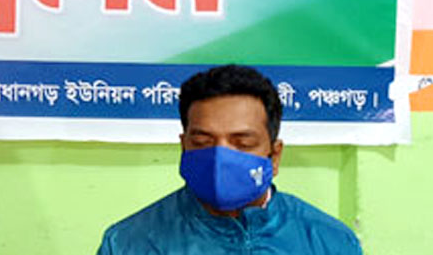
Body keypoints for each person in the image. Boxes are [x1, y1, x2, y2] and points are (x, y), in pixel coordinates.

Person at [96, 64, 363, 254]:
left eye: (242, 144)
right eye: (203, 143)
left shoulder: (329, 242)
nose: (220, 158)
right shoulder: (128, 243)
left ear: (274, 155)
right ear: (184, 146)